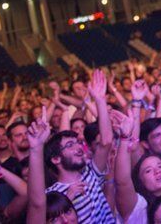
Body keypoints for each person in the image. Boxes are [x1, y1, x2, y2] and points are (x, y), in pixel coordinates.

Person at [44, 70, 115, 224]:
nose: (78, 147)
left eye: (77, 143)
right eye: (70, 145)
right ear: (56, 159)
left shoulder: (91, 173)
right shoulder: (50, 194)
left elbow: (106, 141)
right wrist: (66, 201)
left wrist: (100, 100)